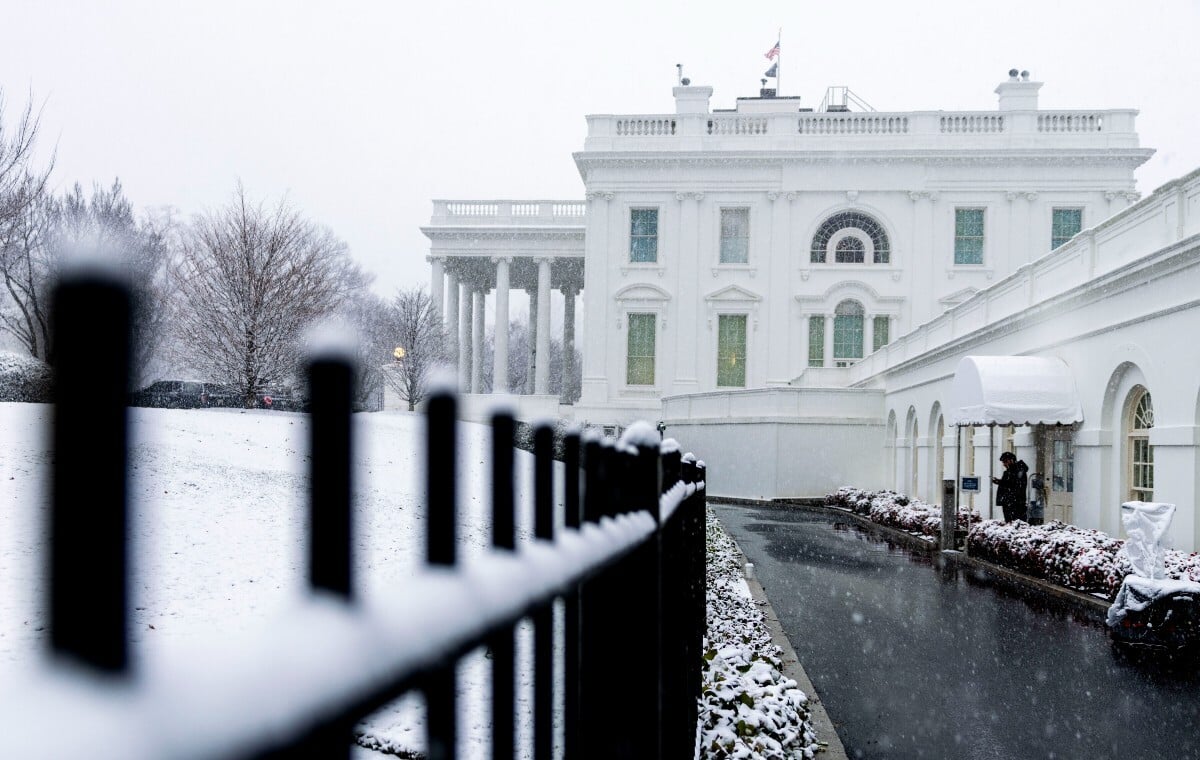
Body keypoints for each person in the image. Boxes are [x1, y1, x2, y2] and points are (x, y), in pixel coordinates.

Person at [992, 451, 1029, 522]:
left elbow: (1015, 484)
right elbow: (1010, 483)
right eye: (1003, 462)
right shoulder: (1009, 472)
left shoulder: (1019, 471)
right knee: (1009, 521)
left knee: (1016, 521)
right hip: (1008, 502)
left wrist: (1000, 482)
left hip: (1016, 503)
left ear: (1011, 460)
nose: (1004, 464)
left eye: (1005, 461)